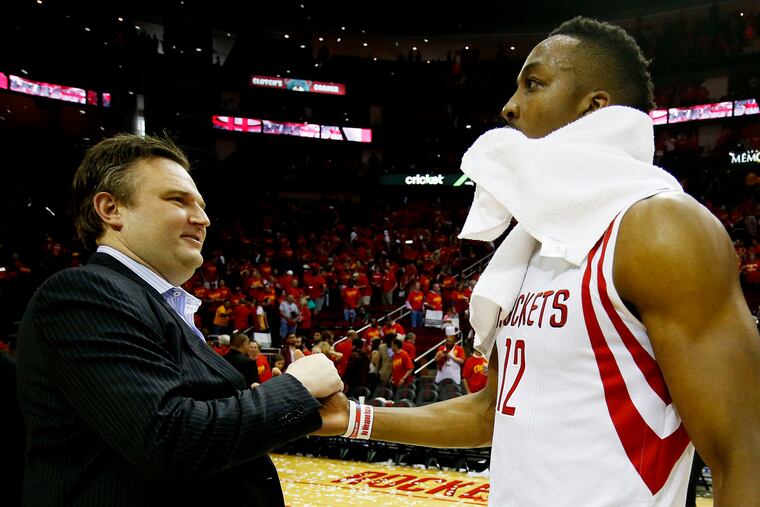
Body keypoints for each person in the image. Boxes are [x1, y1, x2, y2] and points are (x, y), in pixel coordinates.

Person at [313, 17, 760, 506]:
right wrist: (353, 417)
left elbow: (743, 454)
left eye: (534, 84)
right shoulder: (528, 246)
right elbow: (491, 413)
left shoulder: (659, 227)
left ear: (595, 108)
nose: (509, 106)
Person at [16, 133, 344, 506]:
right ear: (111, 209)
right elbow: (170, 440)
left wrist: (272, 402)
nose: (202, 219)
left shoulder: (149, 302)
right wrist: (297, 388)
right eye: (177, 200)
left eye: (201, 206)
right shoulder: (83, 293)